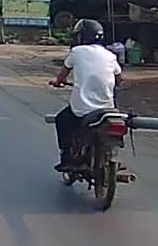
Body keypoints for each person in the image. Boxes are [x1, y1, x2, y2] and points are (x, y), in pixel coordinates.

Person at [50, 19, 122, 171]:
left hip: (83, 109)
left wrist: (58, 82)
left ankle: (67, 158)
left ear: (82, 36)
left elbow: (62, 75)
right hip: (108, 108)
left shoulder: (77, 52)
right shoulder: (110, 55)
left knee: (62, 120)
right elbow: (119, 77)